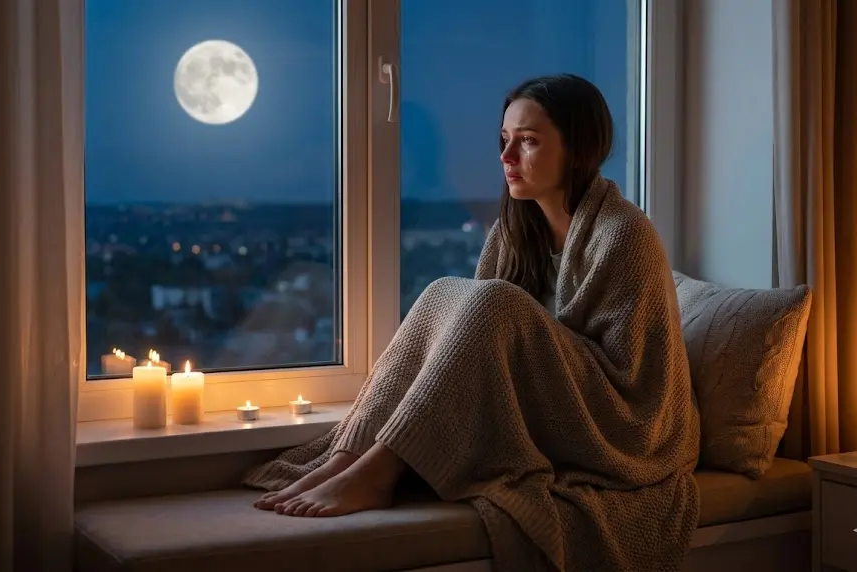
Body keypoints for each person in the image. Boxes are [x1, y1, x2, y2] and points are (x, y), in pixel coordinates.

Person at [243, 74, 701, 572]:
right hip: (554, 400)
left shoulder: (625, 233)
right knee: (444, 291)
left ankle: (376, 474)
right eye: (504, 139)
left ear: (578, 149)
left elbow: (638, 381)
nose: (506, 157)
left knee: (495, 300)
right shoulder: (514, 229)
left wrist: (530, 338)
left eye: (527, 141)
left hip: (624, 425)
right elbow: (473, 342)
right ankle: (349, 456)